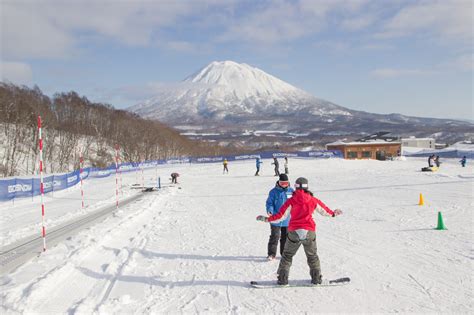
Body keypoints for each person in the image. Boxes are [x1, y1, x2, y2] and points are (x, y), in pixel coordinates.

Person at [257, 177, 342, 286]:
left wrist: (267, 219)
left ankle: (283, 279)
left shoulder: (291, 200)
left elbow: (280, 217)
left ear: (295, 187)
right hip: (309, 231)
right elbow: (325, 211)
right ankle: (316, 278)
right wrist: (333, 213)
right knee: (312, 256)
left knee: (287, 255)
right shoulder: (312, 199)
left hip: (294, 232)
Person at [265, 174, 294, 260]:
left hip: (287, 219)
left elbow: (294, 203)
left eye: (286, 183)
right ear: (278, 182)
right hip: (276, 218)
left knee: (285, 237)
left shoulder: (291, 191)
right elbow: (269, 203)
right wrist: (270, 210)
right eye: (282, 183)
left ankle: (283, 254)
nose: (284, 185)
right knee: (275, 236)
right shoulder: (273, 192)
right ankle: (271, 254)